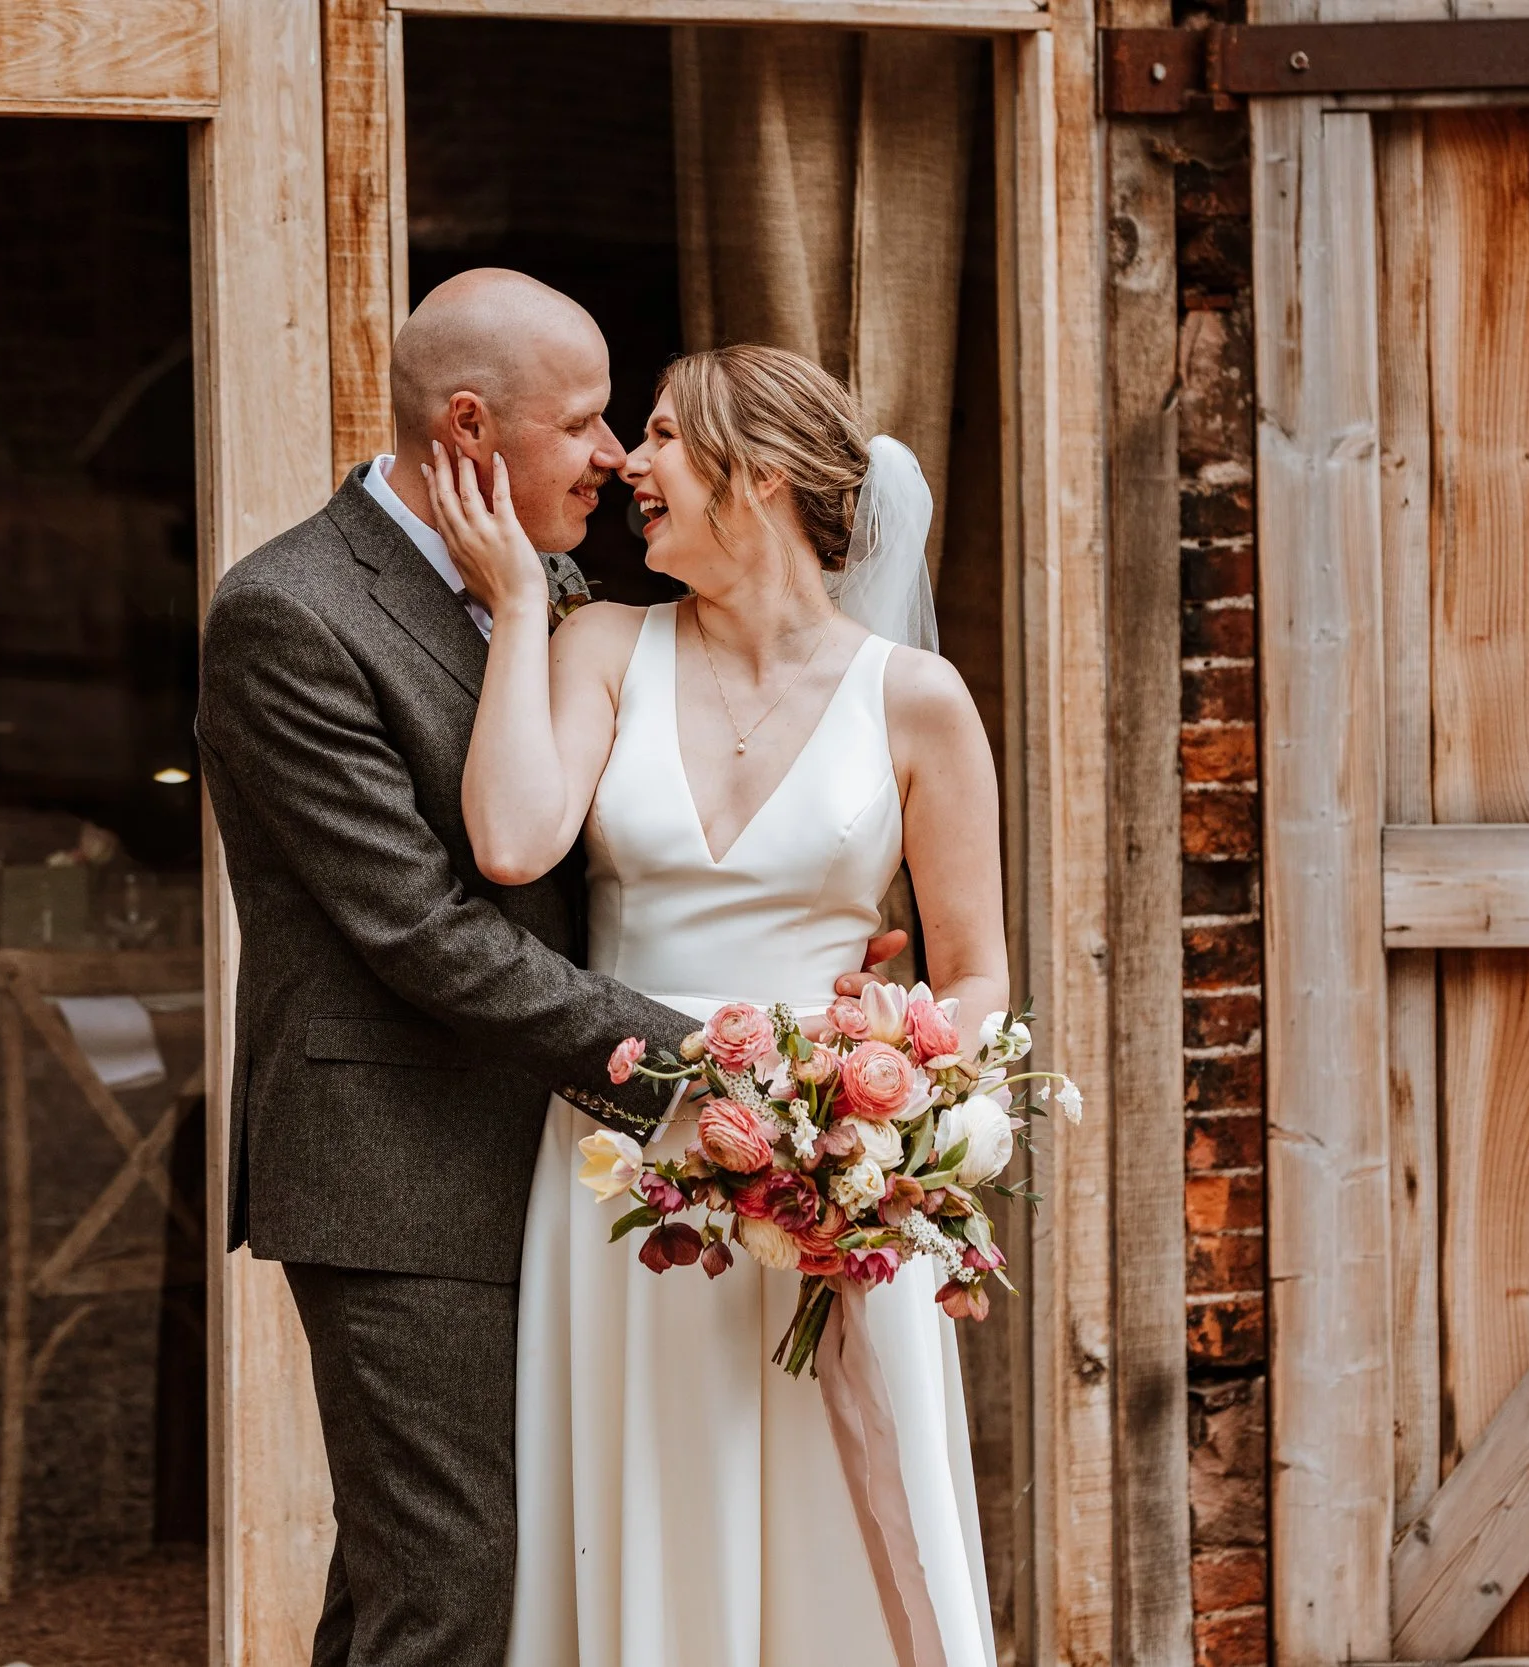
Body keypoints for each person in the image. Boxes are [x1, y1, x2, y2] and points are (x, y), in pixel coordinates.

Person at [195, 274, 902, 1667]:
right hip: (397, 1171)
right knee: (453, 1579)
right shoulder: (287, 614)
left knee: (432, 1575)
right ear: (471, 424)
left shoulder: (563, 589)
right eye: (584, 421)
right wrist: (709, 1059)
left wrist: (810, 933)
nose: (616, 458)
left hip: (561, 1165)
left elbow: (618, 841)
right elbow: (422, 931)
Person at [430, 341, 1005, 1667]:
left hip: (832, 1167)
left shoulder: (915, 701)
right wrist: (521, 604)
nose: (632, 461)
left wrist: (873, 1125)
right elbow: (514, 840)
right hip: (630, 1163)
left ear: (771, 473)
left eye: (670, 434)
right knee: (660, 1495)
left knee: (839, 1523)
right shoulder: (604, 644)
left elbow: (977, 974)